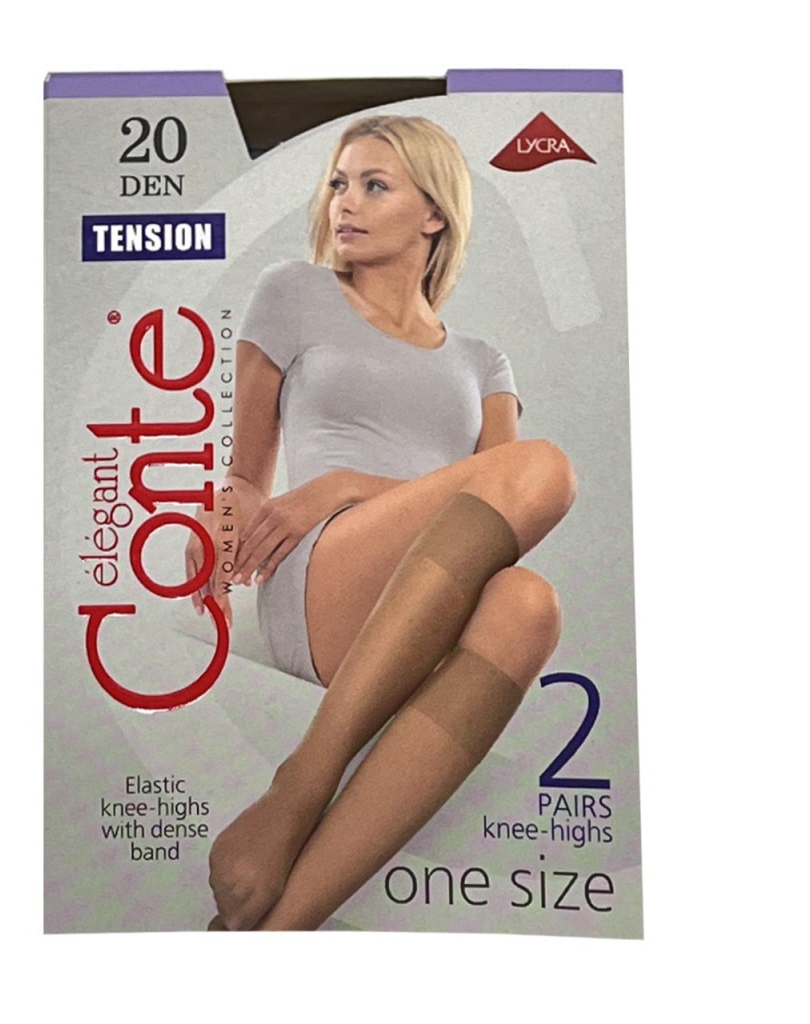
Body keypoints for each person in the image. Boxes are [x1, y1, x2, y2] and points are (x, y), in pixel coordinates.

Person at [186, 115, 576, 931]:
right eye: (338, 183)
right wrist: (219, 517)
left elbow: (499, 504)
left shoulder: (482, 362)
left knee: (529, 600)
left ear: (433, 212)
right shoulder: (293, 292)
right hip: (325, 576)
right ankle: (302, 784)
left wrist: (344, 484)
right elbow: (246, 473)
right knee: (543, 465)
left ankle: (275, 930)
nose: (344, 202)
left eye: (373, 185)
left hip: (428, 598)